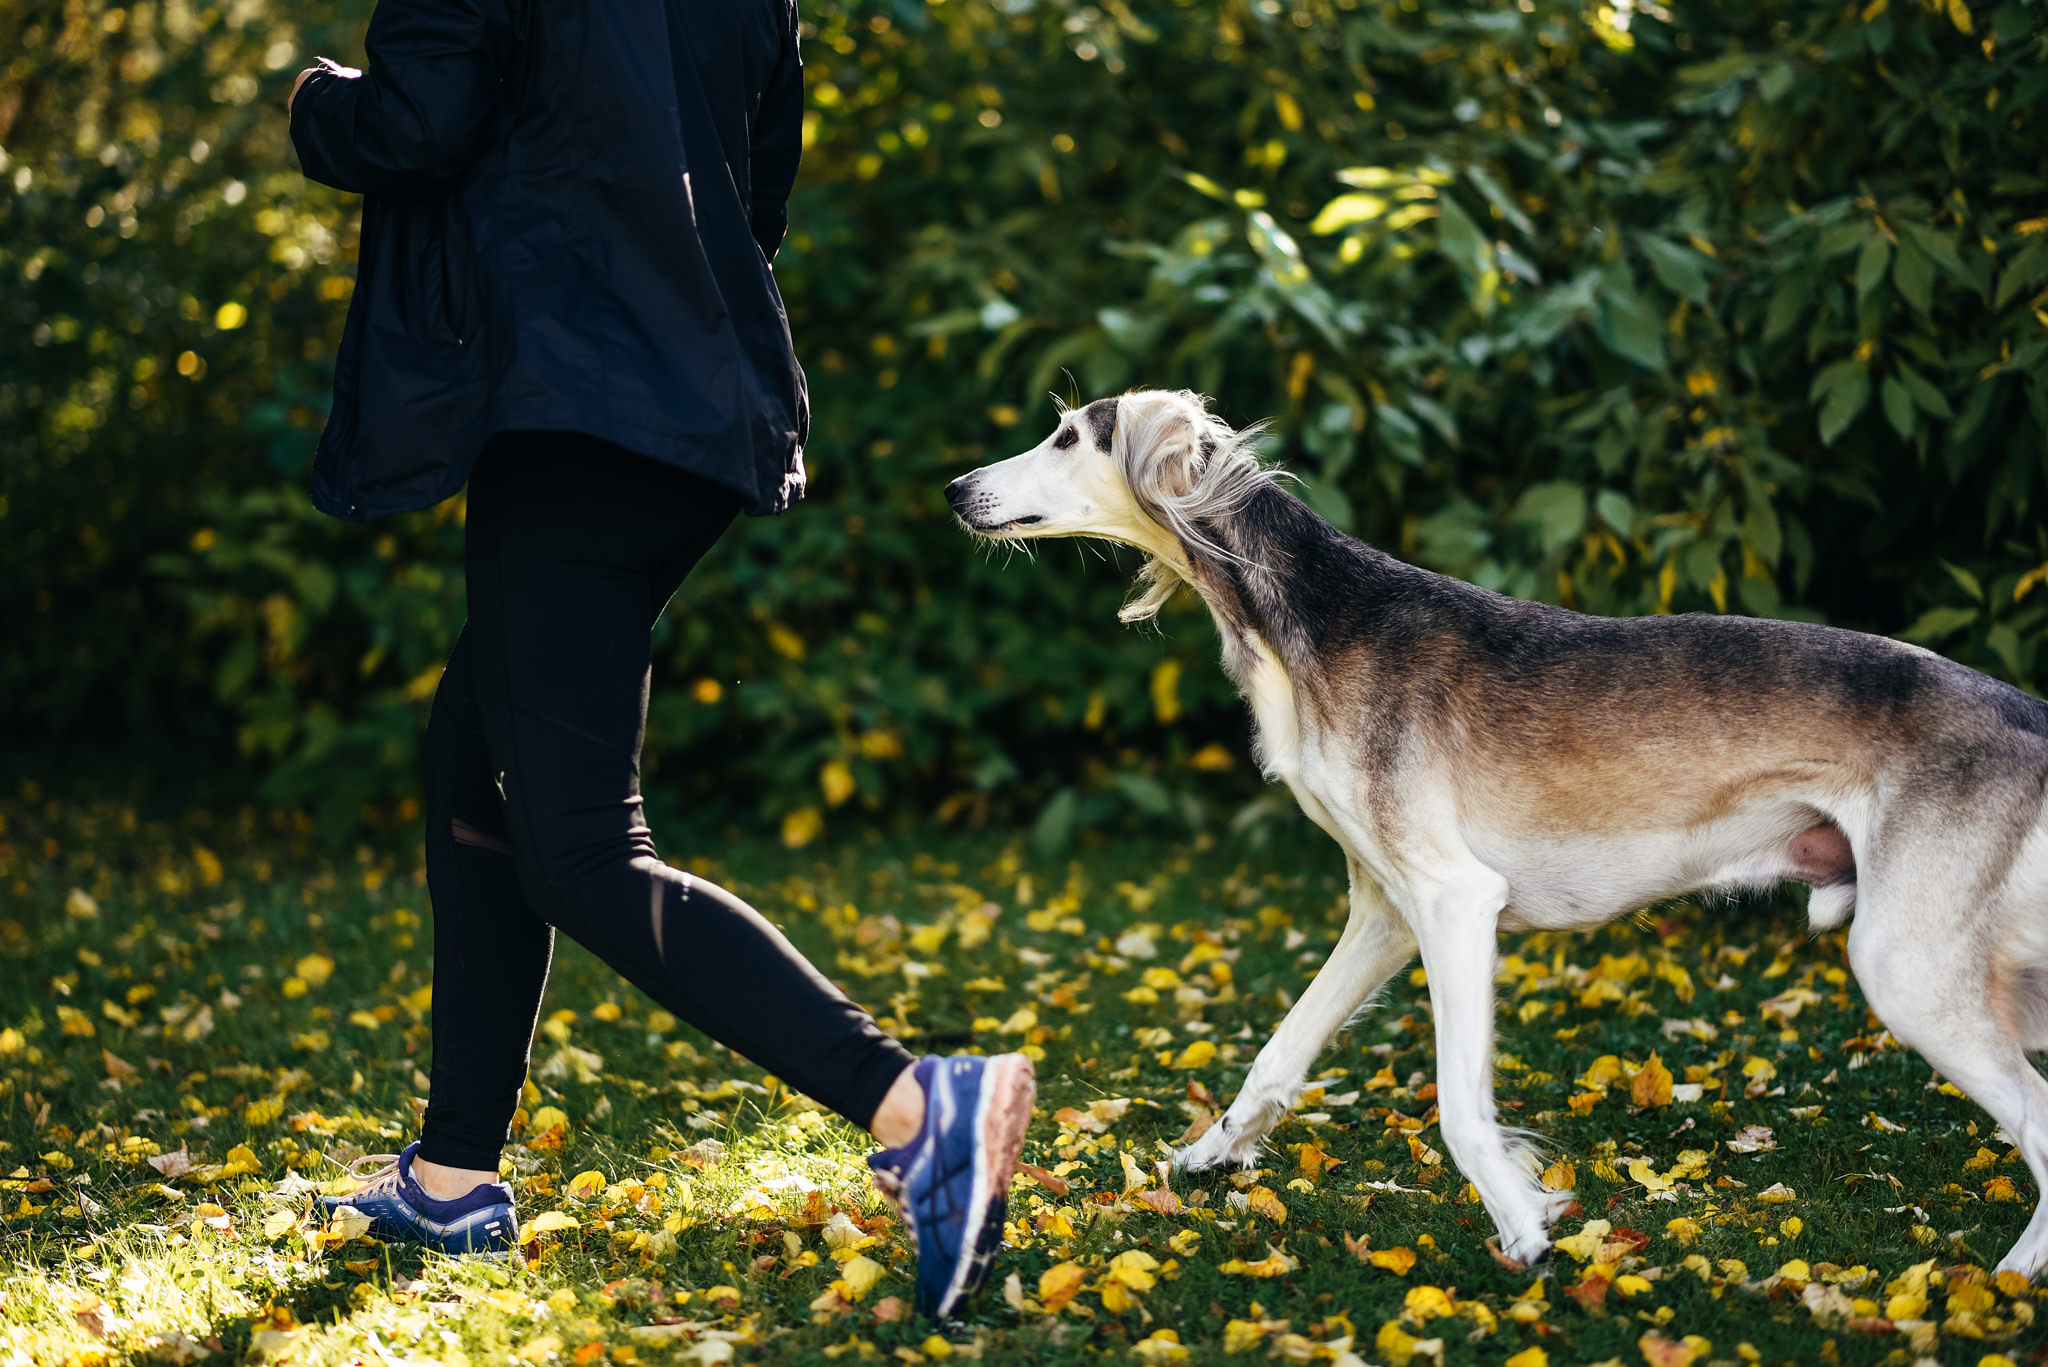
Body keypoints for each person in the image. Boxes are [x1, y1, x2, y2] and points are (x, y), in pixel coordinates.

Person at [283, 0, 1033, 1321]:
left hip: (574, 405)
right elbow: (764, 177)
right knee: (478, 758)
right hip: (694, 398)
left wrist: (315, 104)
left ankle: (917, 1103)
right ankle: (453, 1181)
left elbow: (417, 121)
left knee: (574, 848)